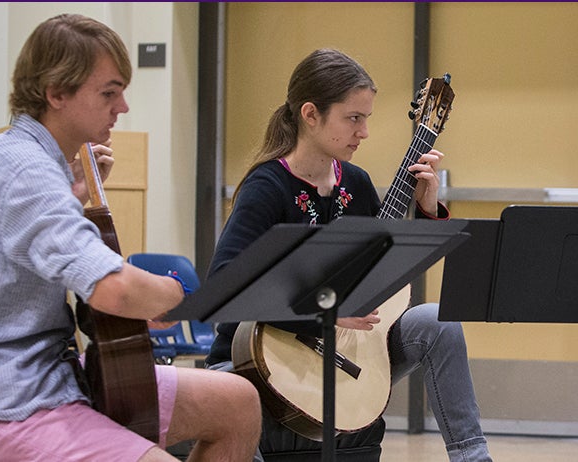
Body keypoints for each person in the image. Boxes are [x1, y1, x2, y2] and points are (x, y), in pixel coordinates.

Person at [0, 14, 261, 461]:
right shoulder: (27, 170)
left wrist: (75, 196)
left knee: (237, 403)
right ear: (56, 94)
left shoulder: (15, 158)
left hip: (53, 372)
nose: (123, 106)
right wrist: (173, 293)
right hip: (8, 398)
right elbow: (114, 290)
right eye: (109, 92)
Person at [204, 48, 492, 461]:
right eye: (353, 119)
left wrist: (428, 212)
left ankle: (473, 457)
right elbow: (223, 287)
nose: (364, 132)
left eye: (367, 119)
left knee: (436, 322)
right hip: (257, 359)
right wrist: (322, 310)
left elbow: (387, 277)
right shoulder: (266, 187)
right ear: (310, 114)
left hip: (344, 353)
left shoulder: (355, 183)